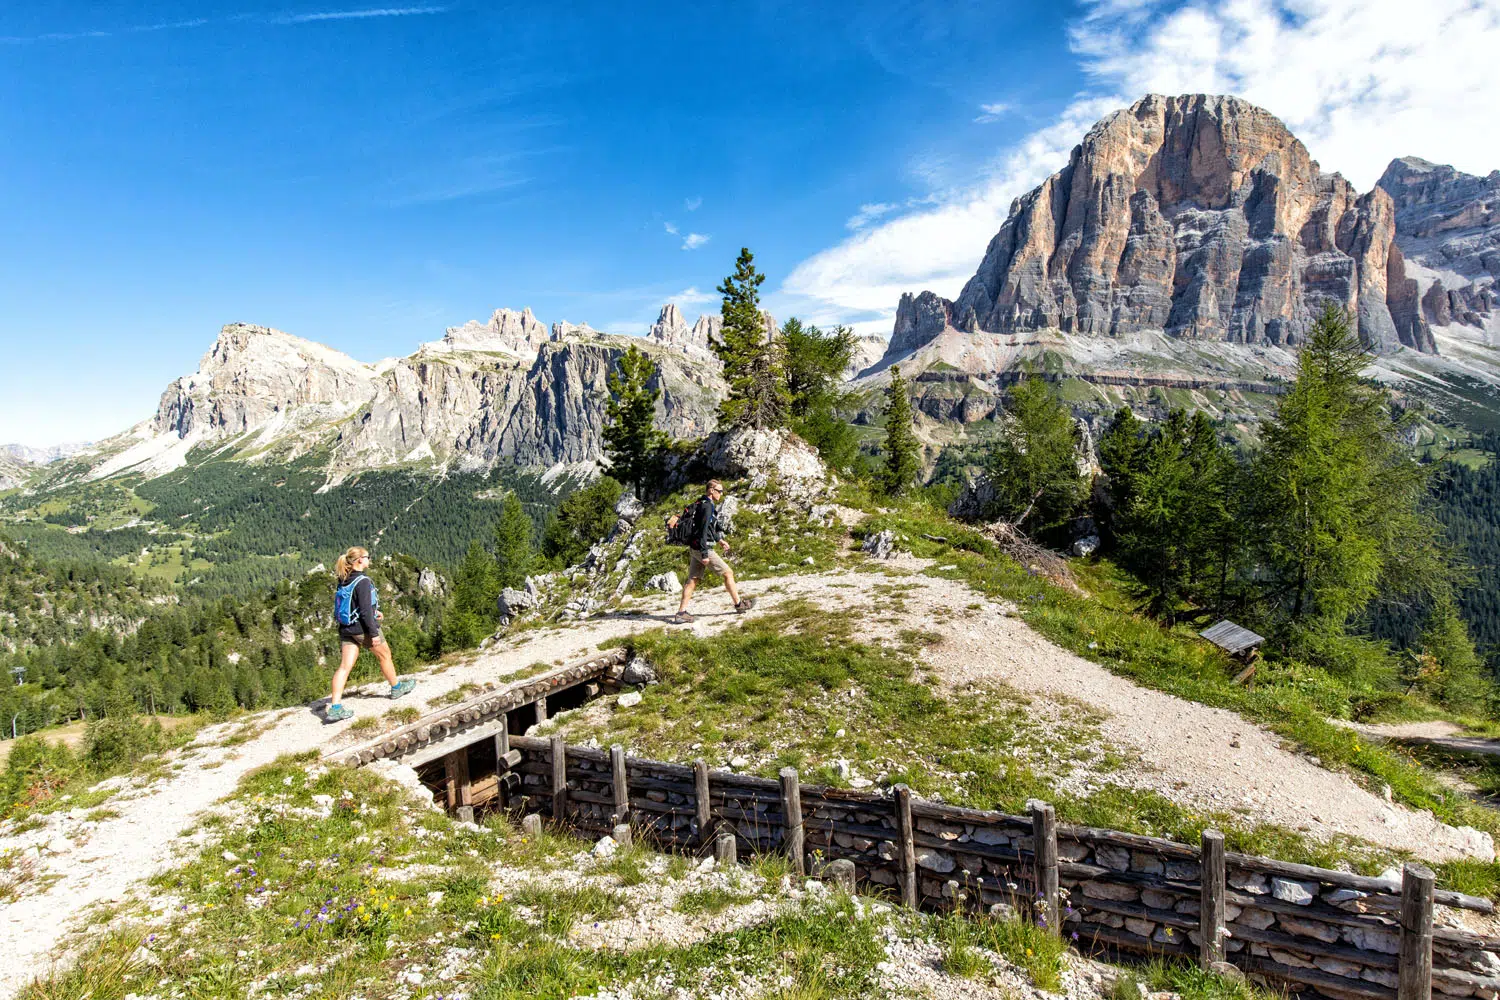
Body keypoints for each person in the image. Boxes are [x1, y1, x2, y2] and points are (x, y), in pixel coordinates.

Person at [326, 546, 414, 722]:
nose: (369, 560)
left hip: (346, 628)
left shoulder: (344, 578)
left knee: (344, 667)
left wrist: (375, 612)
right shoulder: (363, 581)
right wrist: (373, 633)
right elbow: (365, 611)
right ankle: (396, 688)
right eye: (367, 557)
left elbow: (355, 606)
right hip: (362, 629)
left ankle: (335, 707)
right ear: (359, 560)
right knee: (385, 655)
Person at [674, 480, 755, 623]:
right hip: (702, 548)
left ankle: (681, 613)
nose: (721, 494)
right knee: (728, 573)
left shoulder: (702, 503)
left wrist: (720, 540)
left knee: (692, 580)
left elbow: (709, 528)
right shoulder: (707, 507)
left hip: (695, 548)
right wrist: (705, 553)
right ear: (711, 490)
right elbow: (703, 531)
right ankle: (739, 605)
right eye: (719, 491)